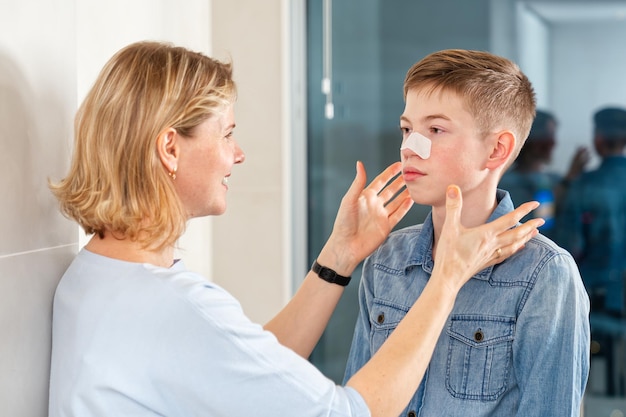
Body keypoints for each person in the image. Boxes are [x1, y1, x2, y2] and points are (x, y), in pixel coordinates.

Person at [46, 42, 542, 417]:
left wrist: (339, 257)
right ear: (170, 149)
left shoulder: (94, 275)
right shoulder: (176, 306)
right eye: (228, 134)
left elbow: (242, 368)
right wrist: (447, 280)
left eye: (436, 129)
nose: (237, 154)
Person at [343, 49, 590, 417]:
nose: (409, 148)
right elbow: (355, 405)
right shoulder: (386, 259)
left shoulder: (545, 275)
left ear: (496, 150)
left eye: (435, 130)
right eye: (406, 129)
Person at [557, 106, 626, 318]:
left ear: (598, 139)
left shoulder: (584, 185)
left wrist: (569, 178)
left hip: (594, 296)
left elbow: (568, 243)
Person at [499, 110, 589, 238]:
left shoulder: (553, 179)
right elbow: (543, 217)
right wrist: (569, 179)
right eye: (548, 136)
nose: (554, 142)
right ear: (533, 141)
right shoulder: (509, 183)